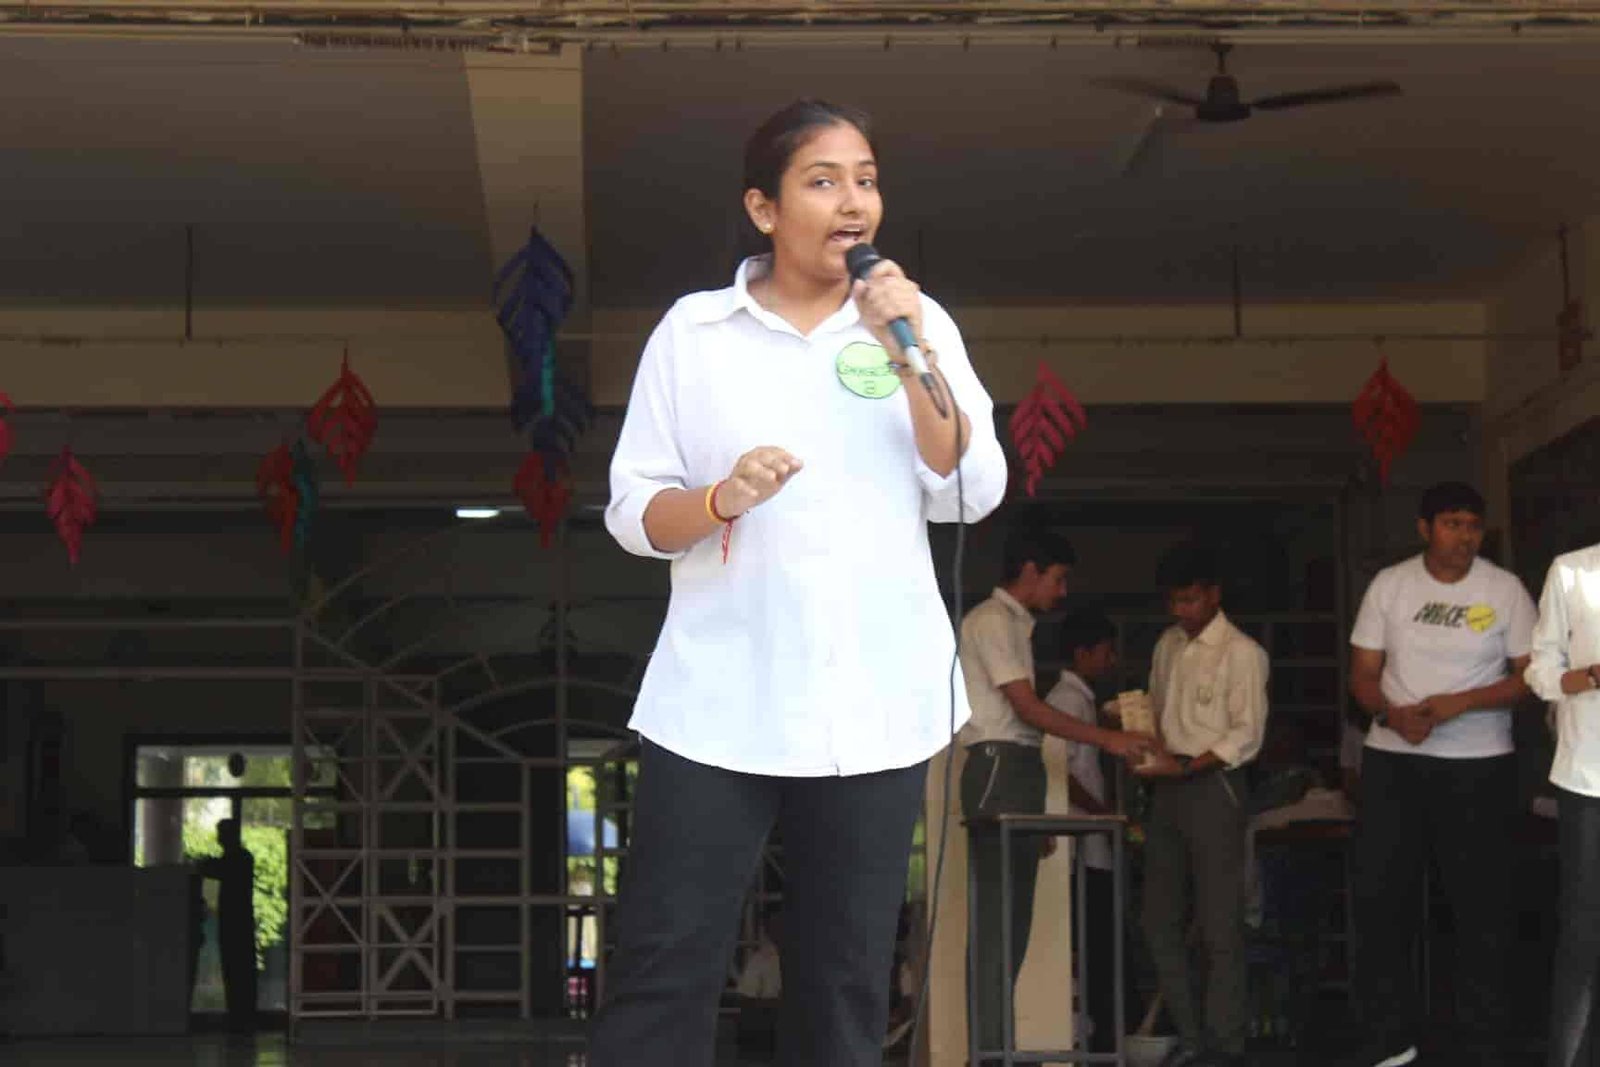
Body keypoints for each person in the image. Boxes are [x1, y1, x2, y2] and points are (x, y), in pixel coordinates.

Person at [590, 98, 1007, 1067]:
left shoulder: (917, 321)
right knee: (665, 966)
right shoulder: (696, 332)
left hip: (873, 701)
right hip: (717, 699)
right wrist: (722, 498)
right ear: (763, 209)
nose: (853, 201)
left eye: (866, 179)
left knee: (845, 975)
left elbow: (969, 487)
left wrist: (907, 348)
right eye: (823, 181)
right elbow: (633, 513)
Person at [1342, 482, 1536, 1067]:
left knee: (1482, 909)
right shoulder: (1391, 584)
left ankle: (1482, 1046)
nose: (1464, 536)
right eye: (1452, 524)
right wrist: (1390, 714)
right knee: (1383, 902)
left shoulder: (1504, 589)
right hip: (1395, 760)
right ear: (1425, 529)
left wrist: (1464, 702)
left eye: (1473, 525)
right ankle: (1389, 1042)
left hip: (1479, 765)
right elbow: (1362, 674)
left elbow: (1530, 676)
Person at [960, 533, 1150, 1059]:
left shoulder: (1014, 623)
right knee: (998, 925)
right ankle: (990, 1052)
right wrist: (1107, 739)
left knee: (1011, 926)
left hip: (1017, 768)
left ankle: (996, 1047)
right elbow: (1026, 709)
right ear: (1030, 569)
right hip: (999, 764)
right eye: (1058, 578)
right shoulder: (992, 620)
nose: (1062, 591)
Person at [1135, 541, 1269, 1067]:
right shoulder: (1167, 644)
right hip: (1166, 786)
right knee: (1158, 920)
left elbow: (1246, 735)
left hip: (1215, 785)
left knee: (1220, 924)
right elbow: (1156, 711)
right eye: (1174, 601)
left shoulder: (1242, 652)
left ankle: (1225, 1042)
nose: (1182, 610)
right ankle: (1190, 1034)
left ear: (1214, 595)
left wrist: (1187, 767)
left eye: (1190, 599)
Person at [1043, 608, 1136, 1056]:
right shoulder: (1068, 701)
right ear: (1082, 653)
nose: (1111, 660)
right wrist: (1103, 813)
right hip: (1082, 844)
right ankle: (1099, 1039)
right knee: (1094, 944)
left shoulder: (1081, 701)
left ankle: (1102, 1035)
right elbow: (1062, 770)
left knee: (1099, 942)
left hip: (1092, 842)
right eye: (1105, 652)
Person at [1528, 539, 1600, 1067]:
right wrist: (1591, 676)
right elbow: (1540, 670)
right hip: (1588, 776)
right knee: (1584, 931)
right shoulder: (1572, 571)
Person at [197, 818, 257, 1033]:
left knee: (236, 970)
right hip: (240, 923)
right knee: (240, 970)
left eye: (221, 834)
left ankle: (240, 1018)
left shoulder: (237, 859)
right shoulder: (242, 858)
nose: (219, 838)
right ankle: (242, 1017)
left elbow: (215, 869)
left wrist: (202, 863)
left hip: (235, 924)